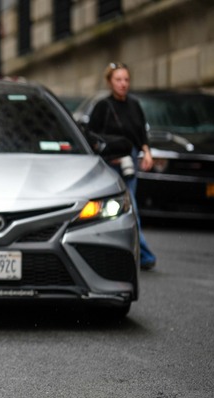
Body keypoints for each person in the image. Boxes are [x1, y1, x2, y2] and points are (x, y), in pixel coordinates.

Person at [87, 62, 157, 270]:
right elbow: (91, 136)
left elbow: (140, 133)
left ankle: (138, 254)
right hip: (110, 163)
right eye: (118, 80)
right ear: (109, 82)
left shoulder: (134, 105)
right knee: (124, 207)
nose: (123, 84)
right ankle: (143, 254)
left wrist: (146, 152)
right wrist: (109, 154)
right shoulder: (102, 106)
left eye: (126, 79)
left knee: (131, 206)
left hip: (131, 159)